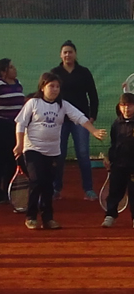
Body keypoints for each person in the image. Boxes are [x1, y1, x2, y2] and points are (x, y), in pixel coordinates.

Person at [13, 72, 106, 230]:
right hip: (33, 149)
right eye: (51, 86)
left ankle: (48, 219)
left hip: (53, 151)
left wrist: (93, 131)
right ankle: (31, 216)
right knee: (37, 181)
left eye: (57, 86)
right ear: (43, 87)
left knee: (48, 185)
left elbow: (80, 117)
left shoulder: (63, 105)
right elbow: (20, 124)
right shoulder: (33, 103)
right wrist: (19, 144)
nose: (55, 89)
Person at [51, 40, 99, 200]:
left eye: (70, 52)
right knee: (59, 154)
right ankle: (55, 189)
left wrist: (92, 116)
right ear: (60, 55)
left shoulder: (84, 72)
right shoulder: (55, 73)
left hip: (81, 120)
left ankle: (89, 190)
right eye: (64, 52)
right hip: (60, 120)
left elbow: (93, 95)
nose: (67, 55)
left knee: (83, 153)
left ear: (75, 54)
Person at [0, 59, 25, 205]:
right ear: (3, 71)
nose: (14, 69)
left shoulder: (18, 84)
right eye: (11, 67)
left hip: (14, 127)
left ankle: (8, 192)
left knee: (11, 160)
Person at [101, 92, 134, 228]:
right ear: (119, 107)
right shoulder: (116, 124)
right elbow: (114, 143)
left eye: (130, 105)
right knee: (115, 191)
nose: (127, 108)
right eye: (123, 105)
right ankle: (110, 215)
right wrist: (110, 160)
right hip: (118, 165)